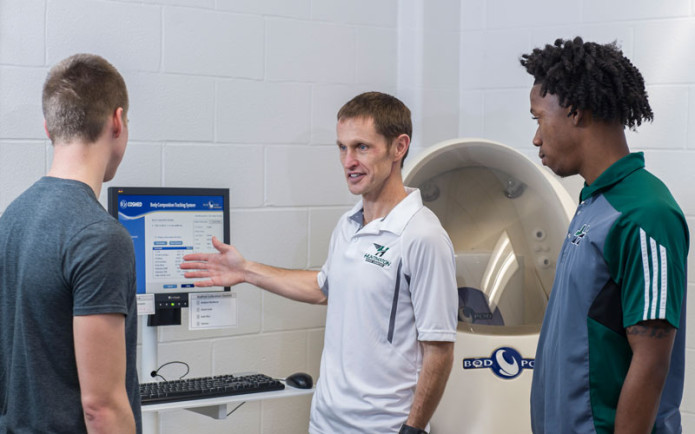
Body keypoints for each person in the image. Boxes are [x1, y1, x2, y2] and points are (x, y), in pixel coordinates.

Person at [181, 91, 458, 433]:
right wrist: (246, 270)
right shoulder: (348, 224)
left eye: (362, 147)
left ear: (399, 147)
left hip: (382, 428)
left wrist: (413, 429)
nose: (348, 161)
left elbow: (440, 349)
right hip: (325, 422)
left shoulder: (422, 236)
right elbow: (326, 287)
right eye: (342, 147)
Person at [521, 37, 689, 433]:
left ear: (576, 113)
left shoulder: (645, 213)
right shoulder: (594, 202)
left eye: (538, 119)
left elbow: (651, 361)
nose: (536, 138)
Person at [0, 54, 141, 433]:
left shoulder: (12, 217)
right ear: (117, 121)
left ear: (48, 127)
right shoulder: (100, 237)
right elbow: (102, 407)